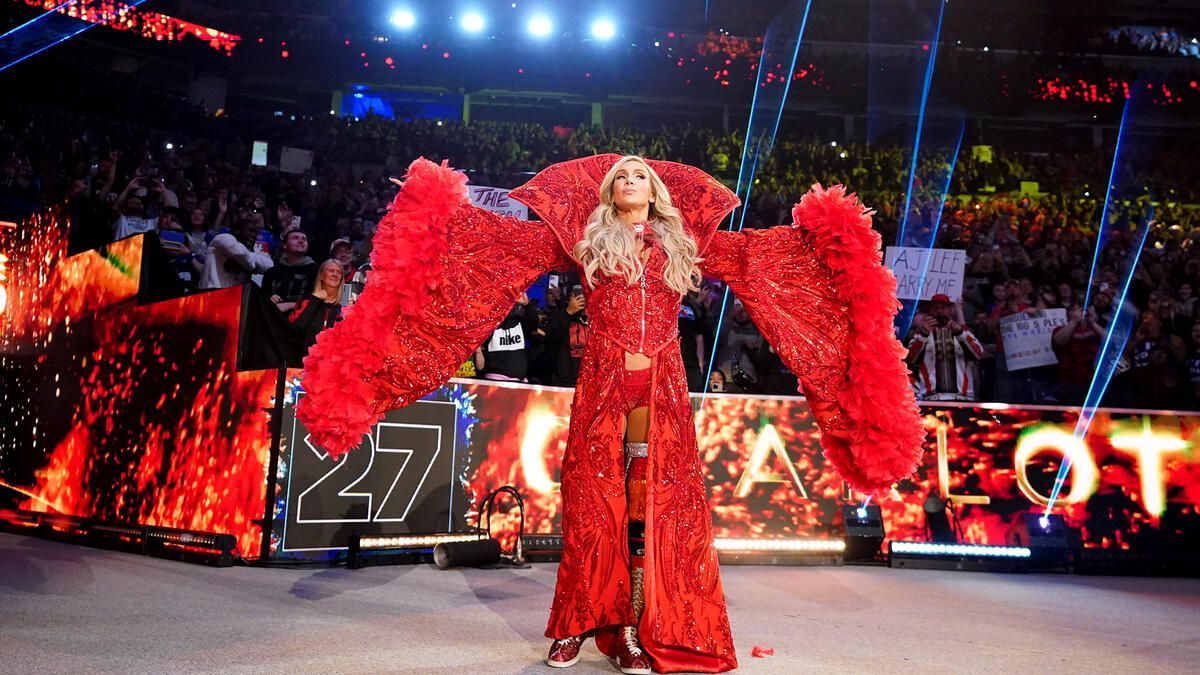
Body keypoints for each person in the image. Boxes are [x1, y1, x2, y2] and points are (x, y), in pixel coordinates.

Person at [295, 155, 923, 674]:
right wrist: (439, 213)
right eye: (622, 176)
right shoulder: (581, 241)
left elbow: (766, 260)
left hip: (665, 385)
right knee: (597, 503)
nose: (631, 181)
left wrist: (830, 237)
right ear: (608, 192)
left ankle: (637, 628)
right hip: (602, 377)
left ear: (656, 193)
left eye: (641, 177)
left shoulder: (688, 243)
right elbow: (495, 245)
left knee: (656, 504)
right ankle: (578, 626)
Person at [907, 295, 985, 401]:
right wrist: (924, 334)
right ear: (930, 310)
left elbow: (979, 354)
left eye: (943, 307)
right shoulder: (920, 334)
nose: (939, 310)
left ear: (951, 310)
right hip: (931, 398)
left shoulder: (963, 331)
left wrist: (960, 332)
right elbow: (911, 359)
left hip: (963, 398)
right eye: (935, 307)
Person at [198, 217, 273, 290]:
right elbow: (239, 252)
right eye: (250, 231)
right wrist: (252, 266)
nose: (253, 235)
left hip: (229, 296)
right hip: (209, 294)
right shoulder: (223, 238)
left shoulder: (248, 254)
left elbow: (270, 266)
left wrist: (250, 258)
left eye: (255, 233)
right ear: (238, 230)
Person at [288, 259, 344, 349]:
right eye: (331, 271)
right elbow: (297, 327)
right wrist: (314, 299)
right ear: (321, 276)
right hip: (307, 356)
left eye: (339, 272)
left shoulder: (345, 304)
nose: (335, 274)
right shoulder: (308, 300)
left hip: (335, 357)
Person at [262, 228, 317, 313]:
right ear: (285, 245)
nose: (300, 241)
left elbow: (319, 302)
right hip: (274, 319)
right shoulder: (272, 272)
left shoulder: (317, 271)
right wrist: (270, 298)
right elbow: (262, 299)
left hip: (301, 322)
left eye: (304, 239)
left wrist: (291, 305)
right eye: (296, 238)